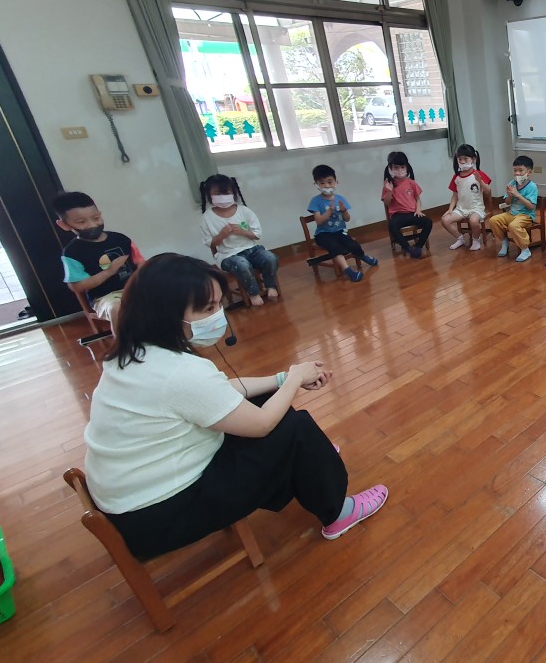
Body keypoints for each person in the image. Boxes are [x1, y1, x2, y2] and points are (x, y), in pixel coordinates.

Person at [82, 254, 388, 560]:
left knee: (264, 401)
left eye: (218, 304)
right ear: (166, 314)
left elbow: (216, 394)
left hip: (131, 504)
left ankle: (309, 461)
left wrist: (281, 379)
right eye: (208, 309)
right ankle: (338, 512)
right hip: (161, 519)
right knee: (296, 428)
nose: (218, 315)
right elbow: (261, 425)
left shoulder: (133, 353)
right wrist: (295, 379)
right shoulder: (178, 372)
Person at [53, 191, 145, 324]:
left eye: (96, 218)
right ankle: (125, 338)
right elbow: (77, 286)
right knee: (116, 308)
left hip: (135, 288)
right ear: (64, 225)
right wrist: (109, 271)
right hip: (105, 297)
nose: (92, 225)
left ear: (100, 214)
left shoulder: (121, 239)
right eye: (81, 222)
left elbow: (141, 263)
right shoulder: (72, 252)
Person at [199, 174, 279, 307]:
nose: (223, 197)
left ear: (233, 193)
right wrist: (222, 235)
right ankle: (253, 293)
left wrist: (242, 231)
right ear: (209, 195)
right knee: (242, 265)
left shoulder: (244, 211)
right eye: (217, 194)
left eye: (226, 193)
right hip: (228, 255)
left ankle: (270, 286)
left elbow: (257, 234)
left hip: (251, 249)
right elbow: (210, 243)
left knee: (271, 258)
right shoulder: (207, 217)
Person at [308, 164, 378, 283]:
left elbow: (347, 219)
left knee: (353, 244)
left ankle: (363, 256)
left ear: (336, 182)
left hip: (340, 231)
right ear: (316, 184)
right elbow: (319, 221)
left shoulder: (340, 198)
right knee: (335, 247)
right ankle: (349, 271)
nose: (327, 186)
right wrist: (329, 211)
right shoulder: (315, 201)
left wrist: (344, 211)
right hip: (323, 234)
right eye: (322, 183)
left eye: (330, 182)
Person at [488, 155, 538, 262]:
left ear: (529, 172)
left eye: (521, 170)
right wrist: (510, 195)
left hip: (526, 216)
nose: (517, 173)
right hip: (512, 213)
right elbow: (507, 202)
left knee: (513, 225)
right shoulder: (512, 183)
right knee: (493, 220)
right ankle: (504, 242)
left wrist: (518, 195)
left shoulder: (532, 186)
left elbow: (531, 206)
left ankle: (525, 249)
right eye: (515, 170)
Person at [382, 151, 432, 258]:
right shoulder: (388, 184)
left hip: (412, 213)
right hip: (398, 215)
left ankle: (418, 247)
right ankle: (407, 248)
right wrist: (389, 191)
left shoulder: (411, 182)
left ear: (407, 167)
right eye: (396, 167)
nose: (400, 170)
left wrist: (418, 210)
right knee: (392, 226)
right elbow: (386, 203)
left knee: (428, 222)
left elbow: (418, 199)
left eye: (402, 167)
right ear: (390, 168)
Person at [442, 144, 492, 251]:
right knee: (445, 220)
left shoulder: (478, 174)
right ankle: (460, 239)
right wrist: (450, 208)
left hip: (476, 208)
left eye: (466, 159)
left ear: (473, 159)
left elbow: (488, 192)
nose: (463, 162)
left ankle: (476, 240)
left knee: (473, 221)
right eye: (460, 159)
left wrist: (480, 182)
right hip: (461, 209)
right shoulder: (457, 177)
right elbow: (455, 195)